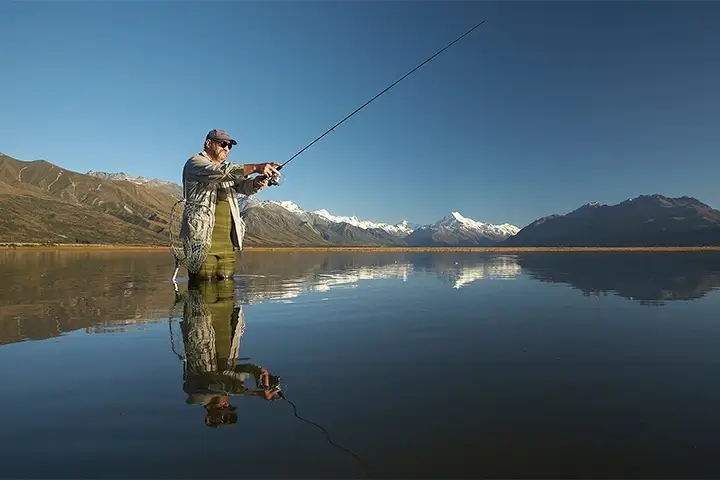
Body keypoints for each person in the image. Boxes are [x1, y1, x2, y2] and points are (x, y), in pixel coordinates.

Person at [177, 128, 280, 281]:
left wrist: (256, 182)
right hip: (201, 241)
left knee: (227, 291)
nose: (226, 148)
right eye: (222, 144)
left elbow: (243, 186)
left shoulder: (230, 171)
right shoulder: (195, 163)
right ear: (208, 143)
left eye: (229, 146)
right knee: (204, 286)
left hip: (228, 243)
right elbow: (219, 172)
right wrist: (255, 167)